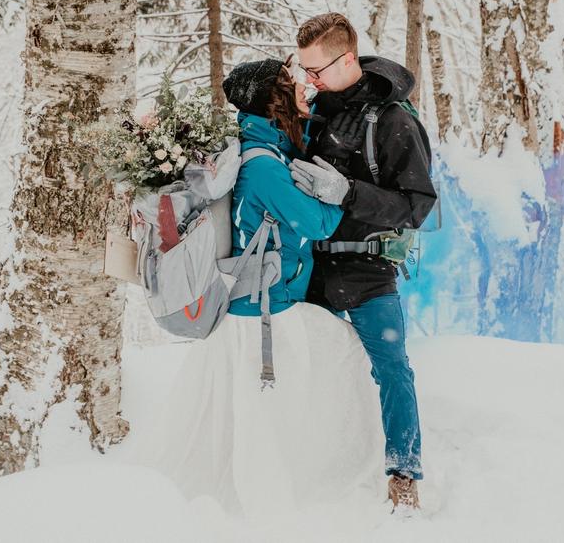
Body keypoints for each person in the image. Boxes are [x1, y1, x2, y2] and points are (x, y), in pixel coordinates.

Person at [131, 56, 385, 518]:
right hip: (266, 312)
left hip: (259, 303)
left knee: (256, 415)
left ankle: (291, 482)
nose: (301, 88)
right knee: (276, 412)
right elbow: (315, 222)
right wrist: (332, 195)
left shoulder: (258, 146)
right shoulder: (263, 165)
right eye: (291, 82)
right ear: (273, 98)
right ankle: (286, 499)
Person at [290, 13, 437, 512]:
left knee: (392, 370)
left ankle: (404, 472)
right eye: (304, 70)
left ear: (347, 58)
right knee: (302, 363)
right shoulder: (311, 112)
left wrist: (348, 192)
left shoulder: (394, 120)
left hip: (368, 268)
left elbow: (418, 204)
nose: (310, 80)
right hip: (311, 267)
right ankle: (312, 461)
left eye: (317, 69)